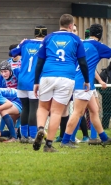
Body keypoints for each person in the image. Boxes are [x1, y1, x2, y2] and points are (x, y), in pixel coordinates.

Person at [61, 23, 111, 148]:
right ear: (99, 35)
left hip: (83, 82)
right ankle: (65, 140)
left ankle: (104, 138)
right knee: (78, 113)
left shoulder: (81, 44)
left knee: (95, 110)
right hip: (83, 84)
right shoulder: (96, 45)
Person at [33, 14, 90, 152]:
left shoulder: (48, 38)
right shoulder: (76, 39)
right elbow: (82, 62)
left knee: (42, 107)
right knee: (56, 112)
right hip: (66, 77)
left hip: (47, 75)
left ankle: (41, 128)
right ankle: (48, 145)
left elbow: (39, 61)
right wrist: (87, 80)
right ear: (71, 26)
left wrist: (36, 82)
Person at [10, 25, 47, 143]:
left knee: (25, 108)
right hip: (34, 81)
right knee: (34, 108)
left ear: (35, 33)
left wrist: (19, 44)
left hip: (22, 80)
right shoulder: (45, 44)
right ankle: (32, 136)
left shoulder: (25, 43)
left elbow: (12, 53)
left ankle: (24, 136)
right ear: (45, 34)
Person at [56, 24, 89, 143]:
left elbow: (87, 64)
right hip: (66, 80)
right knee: (63, 109)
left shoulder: (81, 44)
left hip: (78, 81)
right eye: (72, 29)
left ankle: (84, 135)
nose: (73, 32)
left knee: (78, 109)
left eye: (75, 30)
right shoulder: (65, 45)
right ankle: (62, 135)